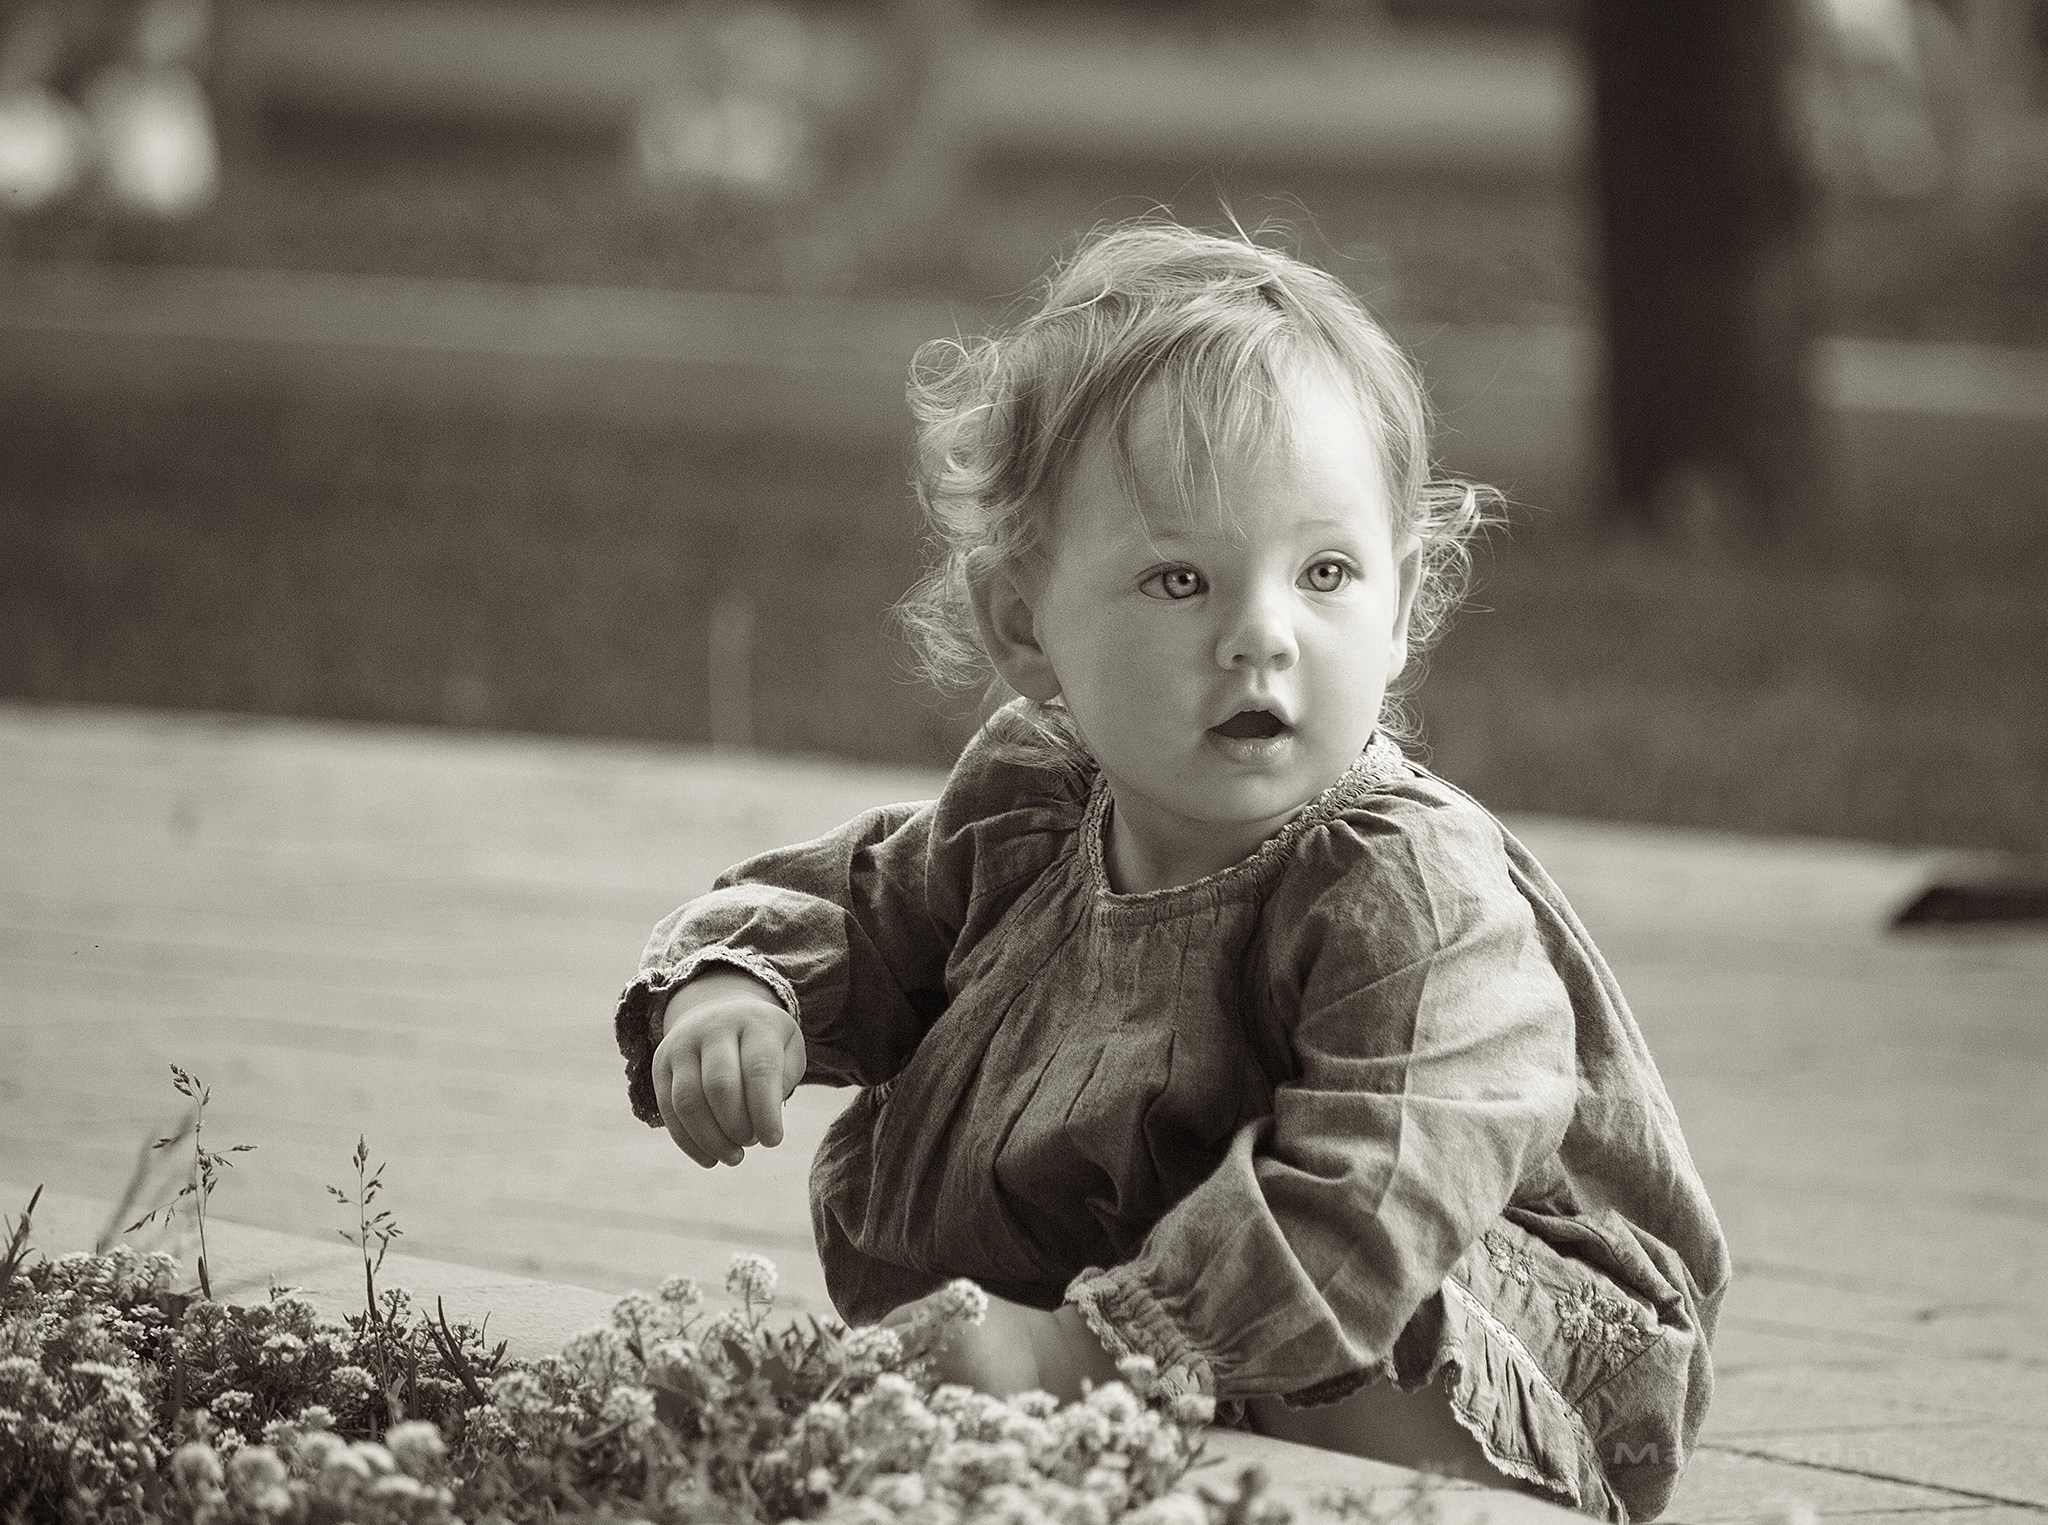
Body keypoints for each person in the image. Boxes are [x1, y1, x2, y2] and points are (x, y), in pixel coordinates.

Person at [612, 221, 1730, 1522]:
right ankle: (1126, 1415)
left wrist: (1088, 1356)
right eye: (1181, 578)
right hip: (1143, 1301)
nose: (1260, 636)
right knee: (985, 1343)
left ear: (1406, 597)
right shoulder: (1028, 802)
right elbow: (860, 904)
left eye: (1323, 573)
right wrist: (740, 992)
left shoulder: (1403, 884)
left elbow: (1385, 1186)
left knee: (1371, 1326)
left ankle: (1373, 1486)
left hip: (1469, 1303)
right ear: (1026, 625)